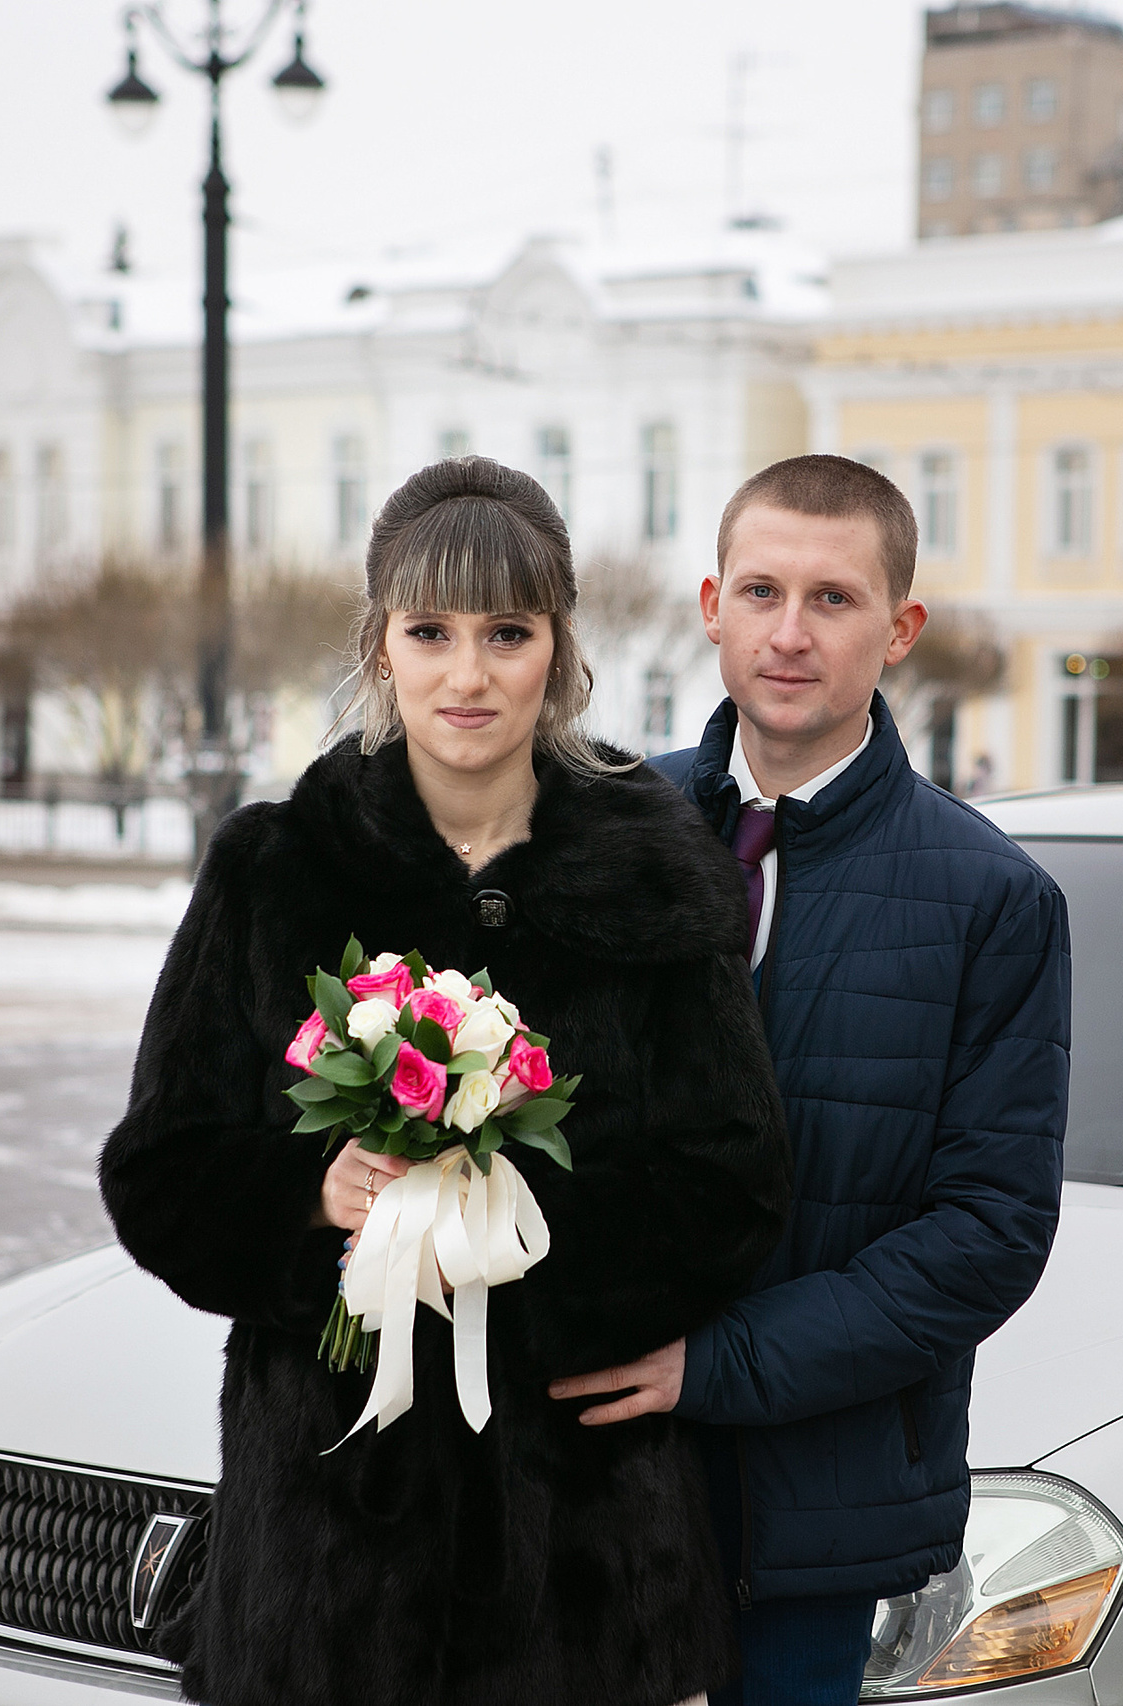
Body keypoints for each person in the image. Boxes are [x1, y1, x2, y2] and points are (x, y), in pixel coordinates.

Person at [100, 456, 792, 1706]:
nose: (467, 675)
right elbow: (160, 1172)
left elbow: (733, 1183)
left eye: (507, 632)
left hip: (584, 1573)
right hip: (325, 1574)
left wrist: (507, 1232)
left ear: (560, 652)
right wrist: (317, 1197)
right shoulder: (276, 871)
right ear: (379, 647)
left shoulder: (654, 871)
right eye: (430, 631)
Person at [550, 455, 1073, 1706]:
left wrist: (713, 1360)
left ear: (899, 629)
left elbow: (987, 1232)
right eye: (762, 590)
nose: (789, 634)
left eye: (833, 600)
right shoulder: (593, 828)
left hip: (809, 1508)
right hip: (578, 1479)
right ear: (708, 604)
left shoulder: (990, 898)